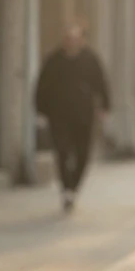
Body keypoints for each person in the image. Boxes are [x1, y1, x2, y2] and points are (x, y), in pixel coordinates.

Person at [34, 23, 110, 213]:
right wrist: (41, 110)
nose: (71, 42)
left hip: (83, 115)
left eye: (76, 38)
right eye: (68, 38)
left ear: (82, 40)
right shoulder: (54, 60)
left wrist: (105, 107)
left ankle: (74, 185)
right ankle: (66, 188)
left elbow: (101, 83)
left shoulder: (90, 59)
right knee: (63, 151)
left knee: (83, 153)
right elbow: (42, 85)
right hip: (58, 114)